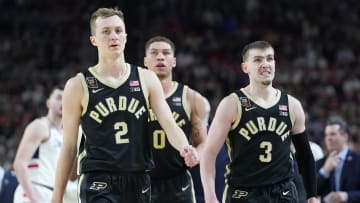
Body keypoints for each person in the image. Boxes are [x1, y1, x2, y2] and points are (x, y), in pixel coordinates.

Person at [51, 8, 197, 203]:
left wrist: (185, 147)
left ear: (126, 37)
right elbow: (69, 147)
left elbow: (169, 124)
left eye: (118, 31)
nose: (114, 36)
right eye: (106, 31)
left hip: (139, 178)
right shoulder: (78, 85)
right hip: (98, 179)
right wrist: (56, 196)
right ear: (93, 40)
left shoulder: (146, 79)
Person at [200, 40, 317, 203]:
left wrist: (312, 195)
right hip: (244, 193)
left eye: (269, 58)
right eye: (258, 60)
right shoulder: (232, 104)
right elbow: (209, 154)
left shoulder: (292, 105)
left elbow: (304, 155)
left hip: (283, 192)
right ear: (245, 67)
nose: (265, 64)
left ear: (275, 63)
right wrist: (210, 196)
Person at [144, 36, 210, 203]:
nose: (160, 57)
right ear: (145, 61)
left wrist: (196, 154)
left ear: (173, 61)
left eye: (166, 53)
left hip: (178, 182)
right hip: (141, 181)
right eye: (154, 53)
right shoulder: (135, 97)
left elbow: (202, 143)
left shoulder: (192, 98)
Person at [13, 86, 77, 203]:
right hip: (35, 190)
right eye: (58, 98)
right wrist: (33, 198)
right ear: (48, 103)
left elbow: (70, 176)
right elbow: (19, 164)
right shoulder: (40, 126)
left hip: (52, 194)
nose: (63, 101)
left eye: (66, 99)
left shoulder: (65, 135)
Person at [316, 116, 360, 203]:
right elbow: (310, 192)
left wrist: (346, 196)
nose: (329, 138)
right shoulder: (320, 163)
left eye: (333, 134)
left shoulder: (358, 161)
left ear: (345, 137)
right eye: (326, 135)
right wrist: (325, 171)